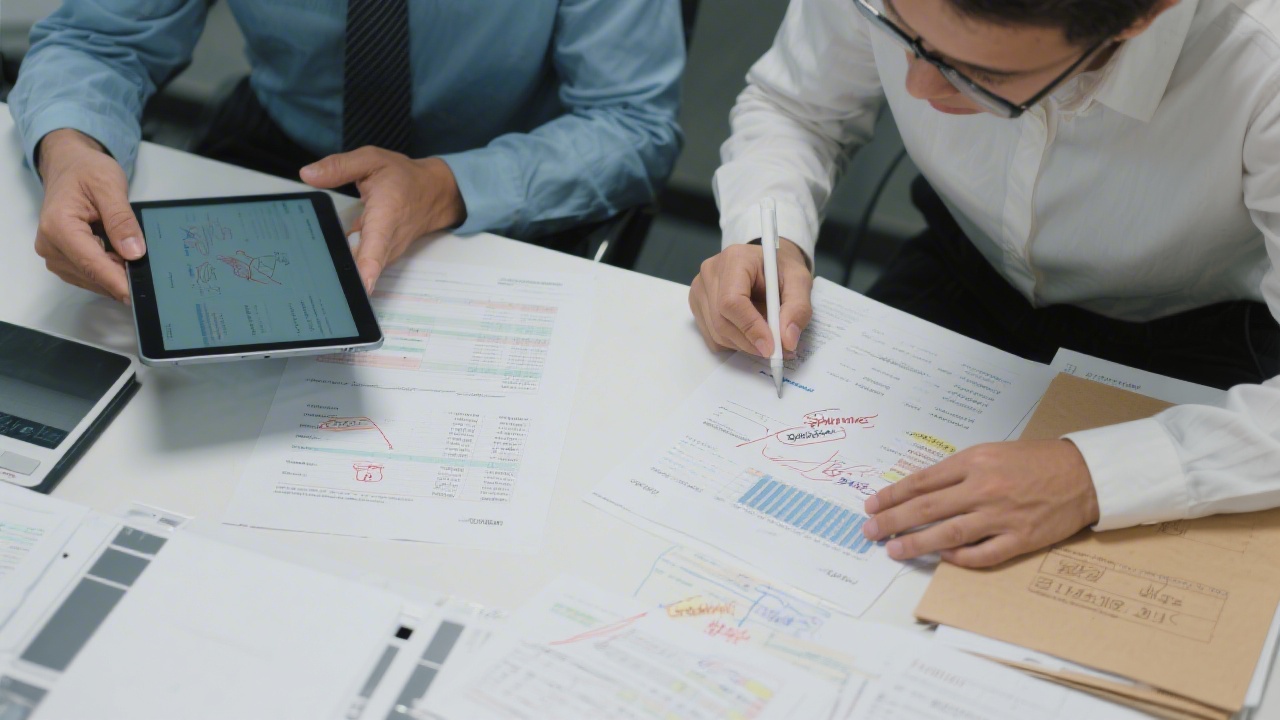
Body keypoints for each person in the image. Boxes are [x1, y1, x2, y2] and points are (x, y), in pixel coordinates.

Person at [692, 0, 1280, 568]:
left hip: (1202, 336)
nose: (917, 87)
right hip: (965, 270)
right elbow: (797, 107)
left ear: (1144, 17)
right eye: (897, 25)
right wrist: (768, 237)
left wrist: (1091, 477)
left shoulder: (1261, 58)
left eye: (985, 73)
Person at [10, 0, 684, 302]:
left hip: (502, 173)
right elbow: (100, 39)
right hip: (288, 143)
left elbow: (630, 123)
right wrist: (72, 146)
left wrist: (446, 186)